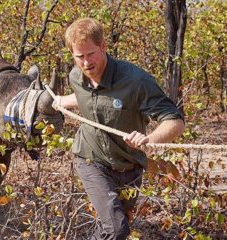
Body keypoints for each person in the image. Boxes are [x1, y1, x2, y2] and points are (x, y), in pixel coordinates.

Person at [52, 18, 185, 239]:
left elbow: (175, 121)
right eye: (79, 57)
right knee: (116, 228)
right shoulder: (75, 77)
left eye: (91, 54)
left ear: (104, 46)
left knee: (112, 229)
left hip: (130, 167)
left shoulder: (135, 81)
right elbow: (89, 97)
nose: (86, 63)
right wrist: (61, 100)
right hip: (91, 160)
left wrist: (149, 138)